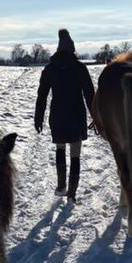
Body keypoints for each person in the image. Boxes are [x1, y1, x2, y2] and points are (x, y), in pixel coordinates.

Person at [34, 29, 96, 200]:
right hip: (76, 115)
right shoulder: (80, 68)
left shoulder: (49, 69)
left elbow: (42, 95)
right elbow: (89, 94)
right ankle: (72, 193)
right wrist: (96, 118)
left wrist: (38, 117)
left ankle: (61, 186)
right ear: (72, 49)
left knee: (60, 148)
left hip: (58, 115)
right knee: (75, 154)